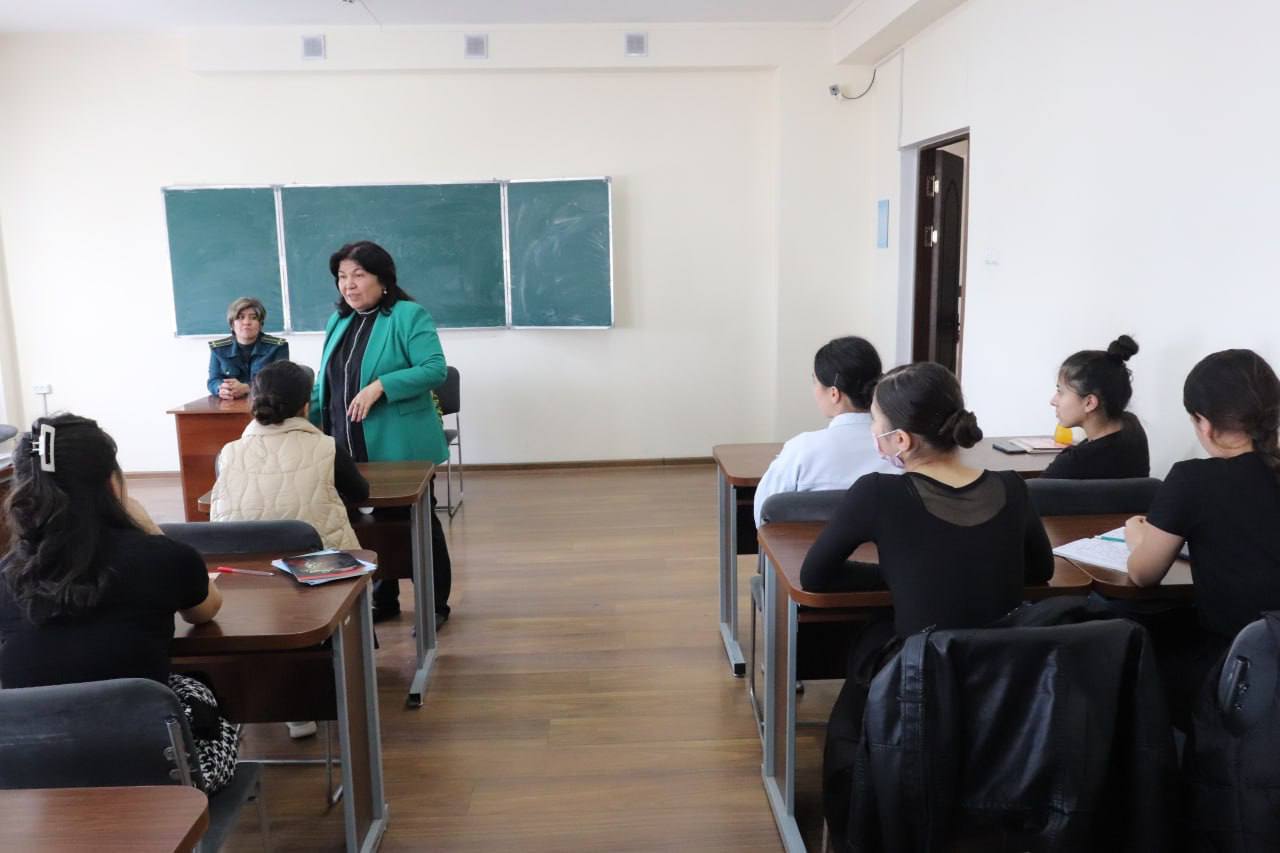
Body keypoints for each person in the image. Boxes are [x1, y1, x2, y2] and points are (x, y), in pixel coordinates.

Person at [800, 361, 1054, 849]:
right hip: (1004, 680)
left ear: (901, 441)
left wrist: (896, 576)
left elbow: (816, 574)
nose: (873, 433)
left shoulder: (877, 493)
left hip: (915, 682)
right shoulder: (1011, 487)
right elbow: (1039, 570)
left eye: (875, 424)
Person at [0, 414, 238, 792]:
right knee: (204, 691)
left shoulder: (7, 574)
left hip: (39, 783)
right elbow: (205, 610)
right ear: (112, 483)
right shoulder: (162, 557)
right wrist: (151, 530)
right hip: (153, 777)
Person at [1125, 349, 1280, 728]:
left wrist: (1135, 534)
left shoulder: (1193, 480)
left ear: (1204, 424)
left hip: (1236, 668)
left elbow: (1143, 574)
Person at [309, 240, 453, 625]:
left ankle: (435, 604)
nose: (348, 284)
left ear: (383, 279)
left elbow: (434, 368)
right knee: (363, 526)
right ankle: (383, 598)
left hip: (399, 445)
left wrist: (381, 386)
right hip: (345, 444)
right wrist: (298, 419)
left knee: (414, 523)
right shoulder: (339, 321)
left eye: (358, 275)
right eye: (342, 276)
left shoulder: (408, 315)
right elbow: (325, 383)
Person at [211, 360, 368, 552]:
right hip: (321, 563)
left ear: (253, 403)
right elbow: (360, 493)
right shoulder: (328, 448)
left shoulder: (227, 454)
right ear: (306, 407)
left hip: (242, 564)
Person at [752, 336, 898, 526]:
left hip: (809, 546)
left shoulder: (802, 449)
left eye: (815, 381)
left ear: (834, 393)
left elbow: (764, 514)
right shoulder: (900, 450)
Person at [1043, 334, 1149, 479]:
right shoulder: (1133, 429)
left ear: (1089, 403)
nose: (1053, 401)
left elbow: (1034, 491)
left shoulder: (1071, 464)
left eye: (1060, 392)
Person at [206, 296, 289, 399]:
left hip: (266, 403)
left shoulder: (277, 347)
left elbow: (281, 381)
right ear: (232, 324)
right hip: (230, 403)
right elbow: (213, 380)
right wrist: (221, 388)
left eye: (253, 318)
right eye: (241, 317)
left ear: (260, 324)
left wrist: (248, 388)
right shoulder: (219, 349)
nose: (247, 322)